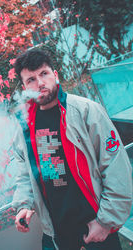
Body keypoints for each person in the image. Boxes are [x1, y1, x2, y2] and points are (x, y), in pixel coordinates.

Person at [11, 48, 132, 250]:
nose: (39, 83)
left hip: (95, 226)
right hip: (57, 232)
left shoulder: (85, 111)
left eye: (44, 74)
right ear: (24, 87)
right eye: (31, 79)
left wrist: (105, 222)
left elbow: (115, 167)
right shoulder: (25, 125)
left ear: (55, 75)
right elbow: (26, 171)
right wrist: (25, 205)